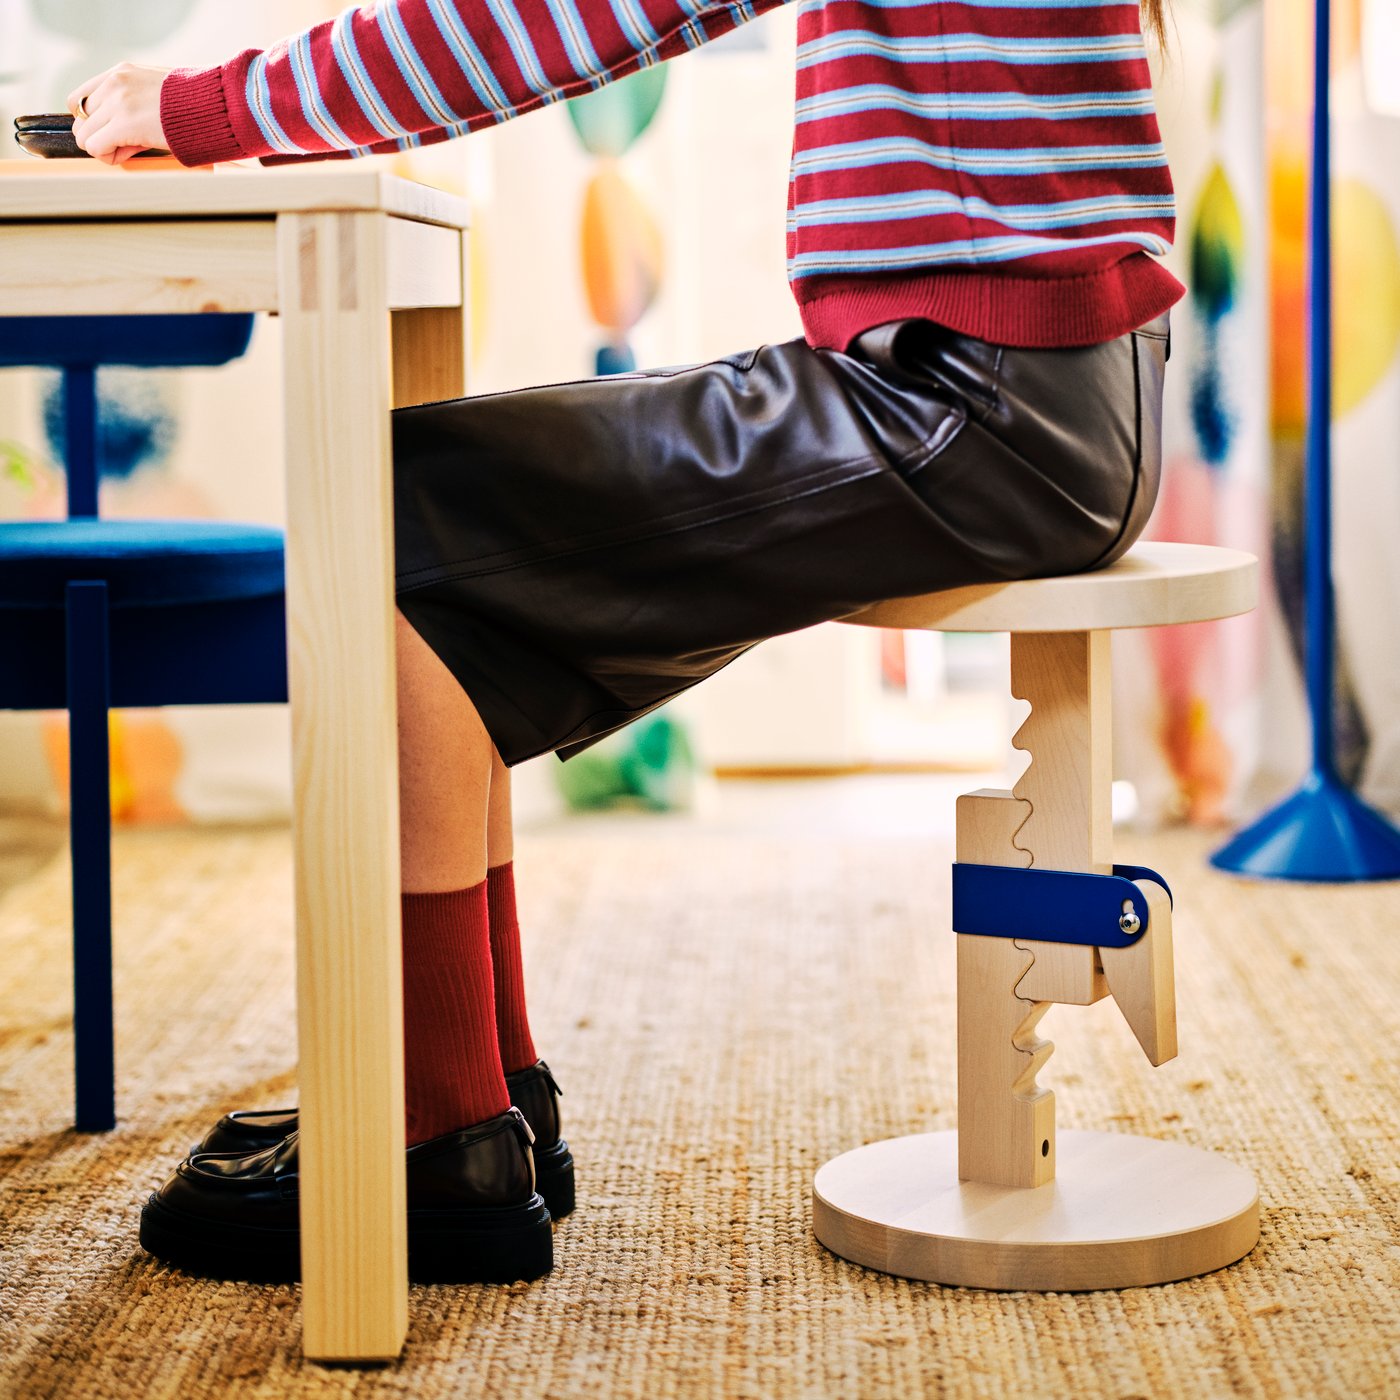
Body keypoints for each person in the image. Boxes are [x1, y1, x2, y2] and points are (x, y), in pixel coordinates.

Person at [70, 0, 1178, 1285]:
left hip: (967, 402)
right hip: (1050, 388)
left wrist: (207, 110)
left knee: (392, 511)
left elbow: (558, 18)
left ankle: (433, 1131)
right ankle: (482, 1098)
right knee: (431, 508)